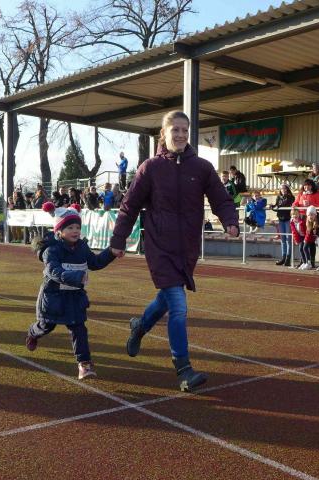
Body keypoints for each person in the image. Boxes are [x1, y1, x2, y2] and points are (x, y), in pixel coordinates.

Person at [110, 110, 239, 392]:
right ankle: (183, 369)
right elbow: (130, 206)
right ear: (164, 134)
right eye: (175, 130)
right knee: (178, 306)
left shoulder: (202, 167)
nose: (180, 135)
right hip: (159, 246)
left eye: (184, 130)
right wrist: (118, 239)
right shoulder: (150, 168)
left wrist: (230, 221)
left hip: (188, 247)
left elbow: (221, 198)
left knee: (167, 298)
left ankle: (140, 325)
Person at [25, 205, 116, 379]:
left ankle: (84, 364)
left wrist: (111, 252)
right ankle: (32, 333)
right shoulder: (51, 250)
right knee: (46, 326)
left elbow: (95, 262)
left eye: (77, 227)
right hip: (54, 297)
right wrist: (76, 276)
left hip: (75, 297)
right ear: (59, 231)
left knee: (79, 328)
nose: (75, 231)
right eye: (70, 227)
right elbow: (54, 271)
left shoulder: (82, 247)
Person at [271, 183, 294, 266]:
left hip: (287, 219)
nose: (283, 190)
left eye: (284, 188)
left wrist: (278, 207)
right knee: (283, 239)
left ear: (287, 189)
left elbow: (286, 205)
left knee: (288, 239)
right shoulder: (279, 197)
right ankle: (283, 257)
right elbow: (276, 207)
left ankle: (288, 258)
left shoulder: (291, 197)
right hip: (281, 219)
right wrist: (272, 206)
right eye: (281, 188)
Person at [301, 205, 319, 270]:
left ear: (315, 215)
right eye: (309, 215)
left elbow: (314, 234)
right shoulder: (308, 223)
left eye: (312, 215)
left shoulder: (315, 223)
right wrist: (305, 239)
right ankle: (309, 263)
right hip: (308, 239)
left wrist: (306, 239)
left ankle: (309, 263)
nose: (310, 216)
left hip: (311, 239)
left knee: (307, 248)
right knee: (307, 249)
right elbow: (307, 233)